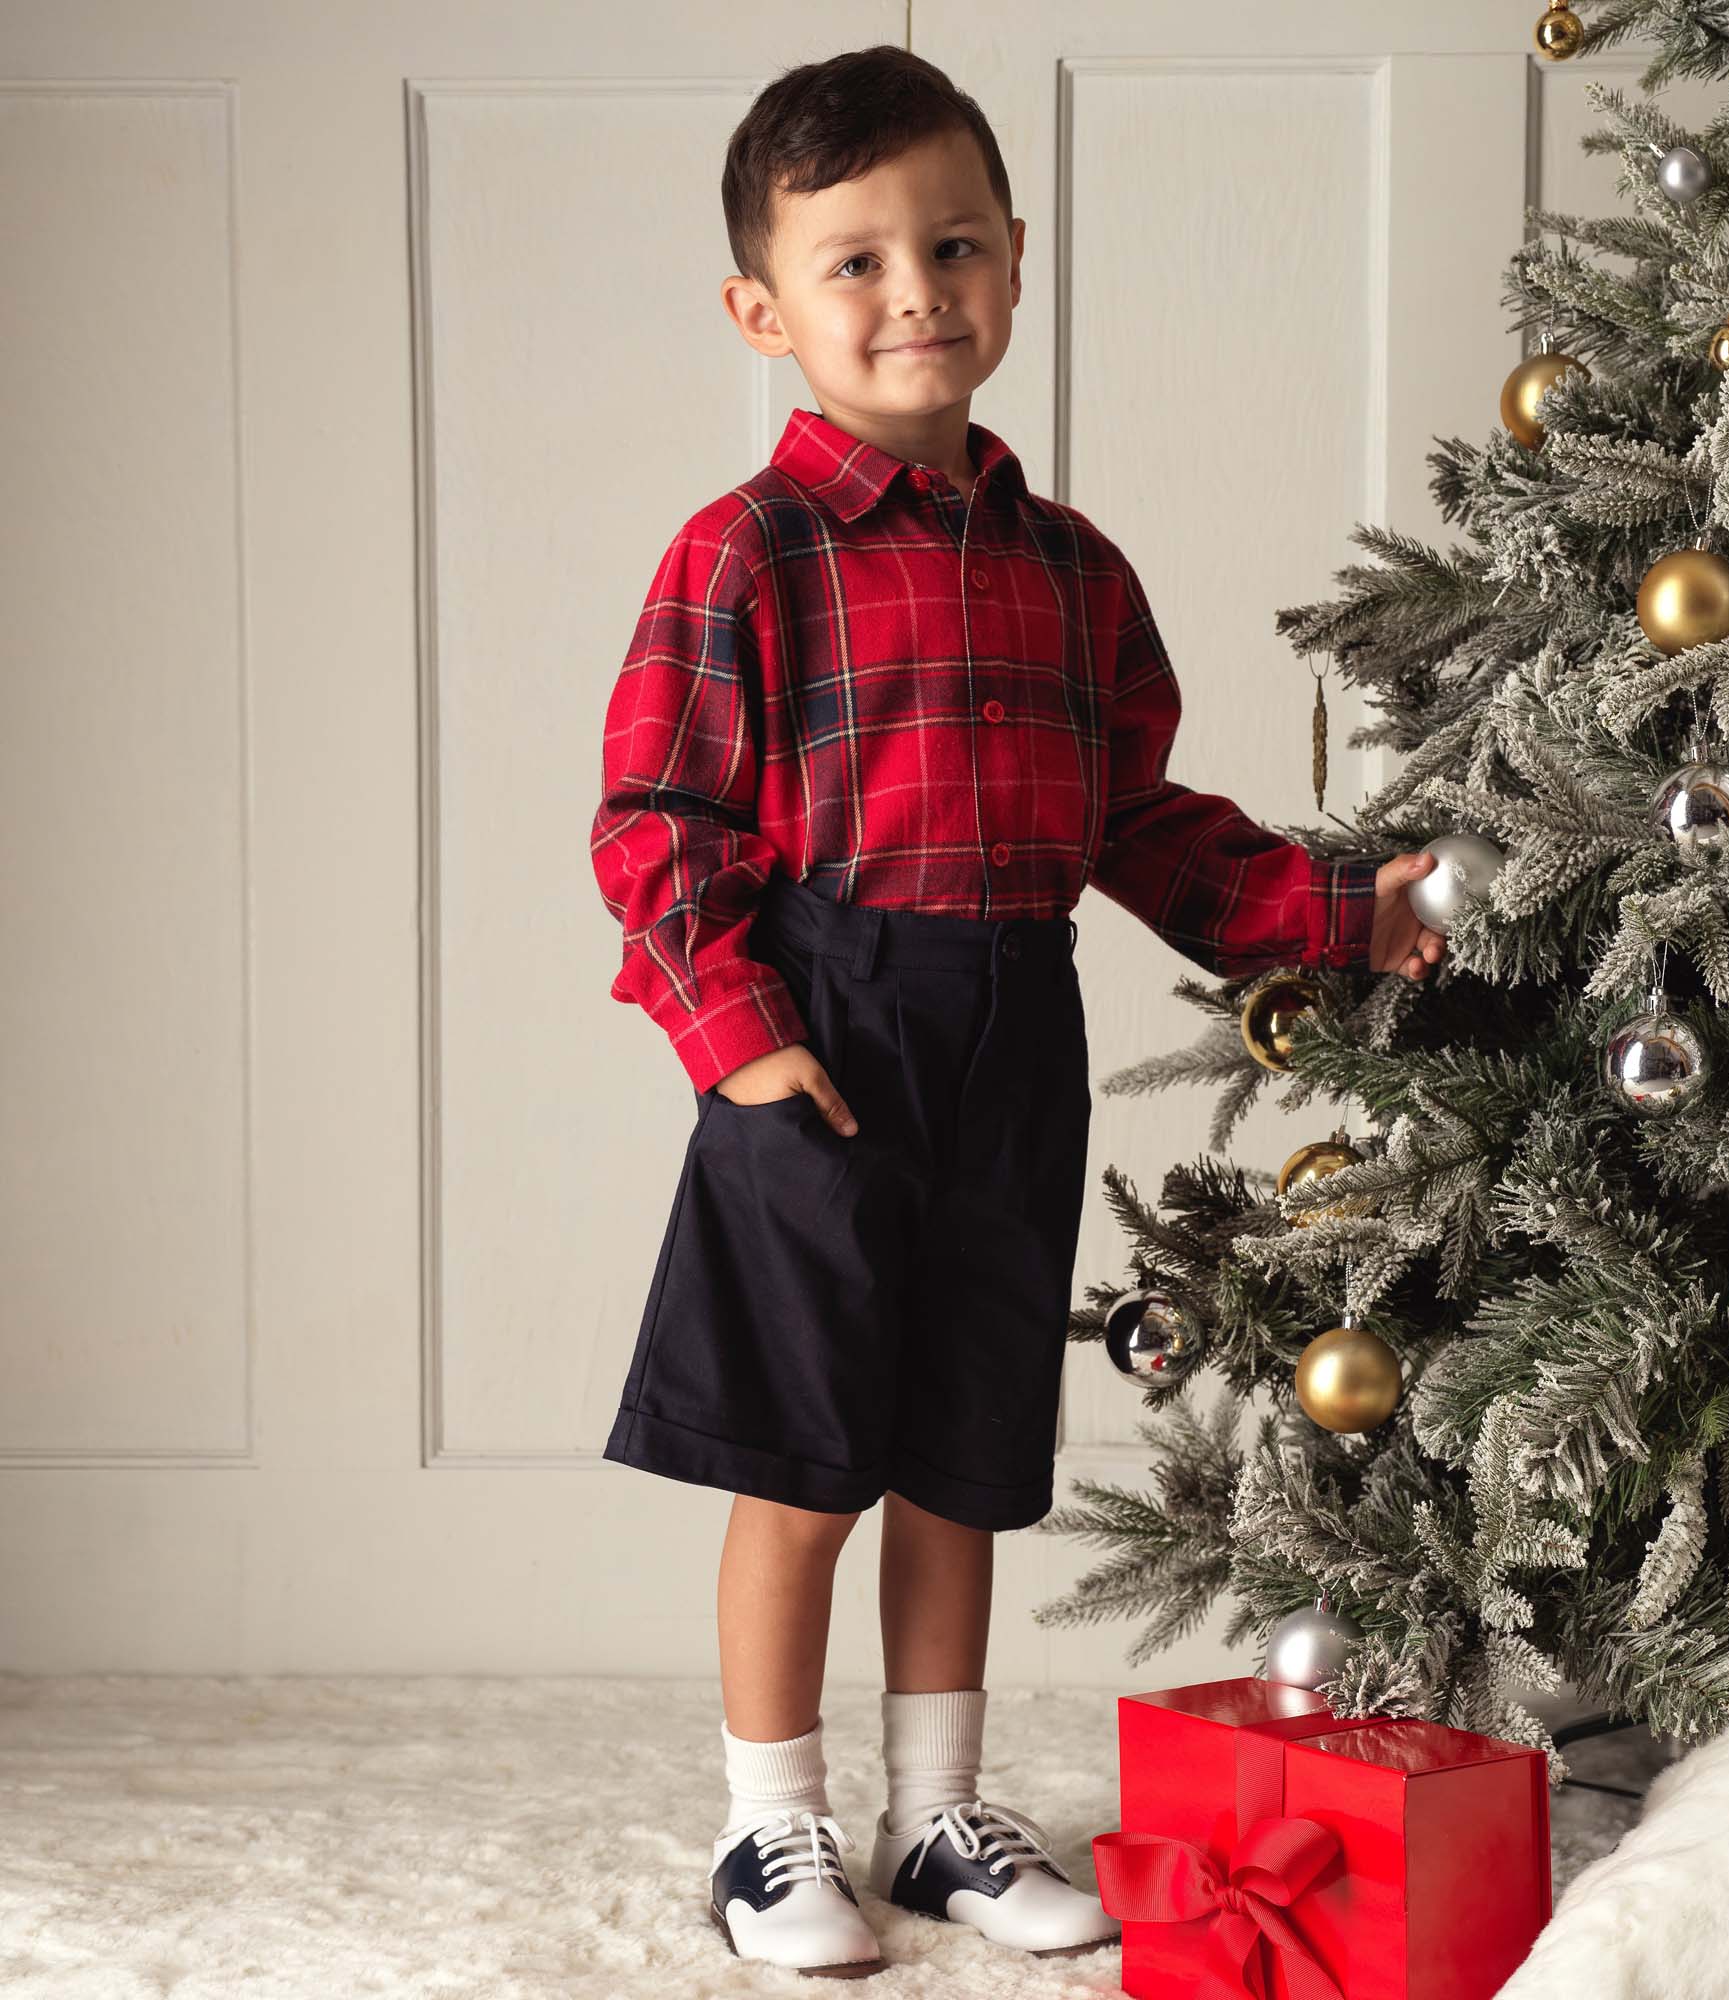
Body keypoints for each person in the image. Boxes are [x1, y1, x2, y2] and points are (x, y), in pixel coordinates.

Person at [586, 42, 1447, 1981]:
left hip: (1011, 1023)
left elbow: (1134, 818)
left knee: (963, 1443)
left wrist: (1331, 909)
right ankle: (770, 1826)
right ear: (764, 308)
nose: (915, 296)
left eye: (953, 246)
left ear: (1017, 259)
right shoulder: (745, 556)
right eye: (857, 264)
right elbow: (654, 820)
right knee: (804, 1456)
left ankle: (940, 1812)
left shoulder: (1072, 572)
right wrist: (734, 1030)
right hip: (819, 1025)